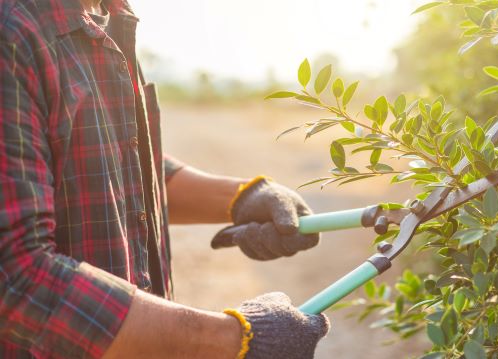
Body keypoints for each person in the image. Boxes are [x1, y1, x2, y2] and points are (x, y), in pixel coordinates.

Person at [0, 0, 329, 357]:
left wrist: (241, 198)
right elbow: (15, 276)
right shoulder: (13, 32)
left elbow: (115, 160)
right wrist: (230, 338)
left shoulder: (108, 16)